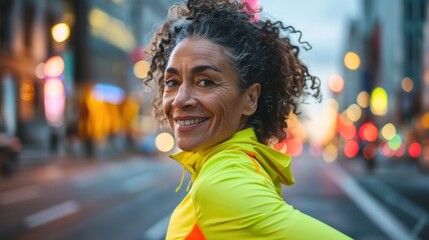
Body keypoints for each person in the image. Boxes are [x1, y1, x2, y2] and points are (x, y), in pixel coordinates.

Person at [144, 0, 352, 239]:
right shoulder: (243, 162)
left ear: (250, 99)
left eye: (205, 82)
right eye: (172, 82)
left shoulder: (222, 184)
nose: (180, 100)